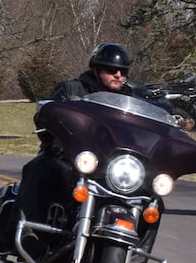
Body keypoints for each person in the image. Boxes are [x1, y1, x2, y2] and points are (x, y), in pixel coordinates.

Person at [18, 42, 137, 229]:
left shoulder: (132, 99)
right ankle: (27, 231)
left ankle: (135, 258)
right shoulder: (71, 90)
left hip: (111, 169)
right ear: (96, 69)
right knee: (39, 168)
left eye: (123, 71)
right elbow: (46, 116)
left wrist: (172, 112)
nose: (118, 75)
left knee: (152, 200)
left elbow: (156, 112)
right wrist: (56, 137)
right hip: (70, 160)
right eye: (111, 70)